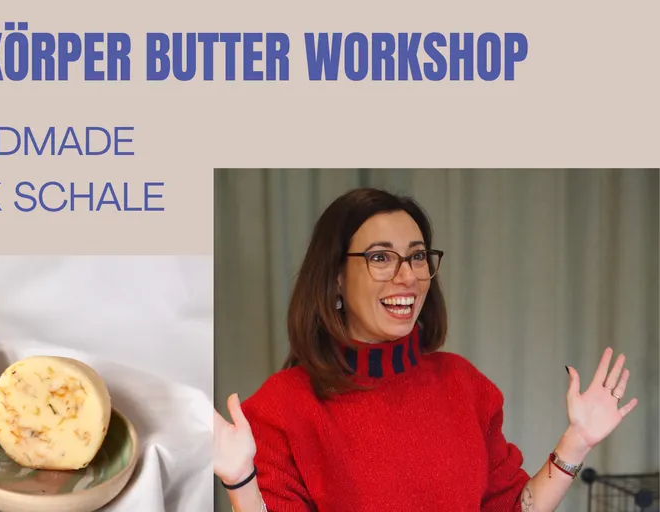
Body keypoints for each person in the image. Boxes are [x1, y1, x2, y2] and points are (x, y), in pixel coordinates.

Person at [213, 187, 639, 512]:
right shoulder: (280, 407)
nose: (408, 276)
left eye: (417, 257)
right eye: (381, 257)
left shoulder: (464, 384)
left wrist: (577, 440)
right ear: (336, 278)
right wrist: (240, 482)